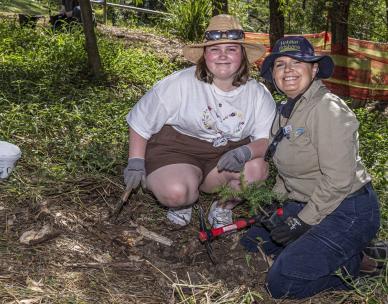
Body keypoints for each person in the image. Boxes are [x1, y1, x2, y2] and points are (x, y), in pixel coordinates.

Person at [240, 36, 381, 299]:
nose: (288, 70)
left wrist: (301, 223)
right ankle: (323, 248)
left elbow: (339, 180)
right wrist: (276, 202)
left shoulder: (327, 109)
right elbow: (286, 165)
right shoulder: (286, 110)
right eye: (280, 64)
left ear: (314, 69)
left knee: (281, 284)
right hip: (309, 201)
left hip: (348, 209)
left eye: (298, 62)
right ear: (274, 74)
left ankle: (357, 263)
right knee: (253, 242)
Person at [124, 15, 276, 228]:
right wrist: (135, 162)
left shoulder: (258, 94)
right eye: (215, 49)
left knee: (257, 170)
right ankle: (181, 202)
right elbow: (141, 121)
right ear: (205, 55)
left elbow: (264, 140)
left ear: (242, 55)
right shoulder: (180, 83)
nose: (223, 56)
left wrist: (245, 152)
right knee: (176, 192)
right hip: (177, 151)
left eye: (231, 49)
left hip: (225, 158)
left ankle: (222, 208)